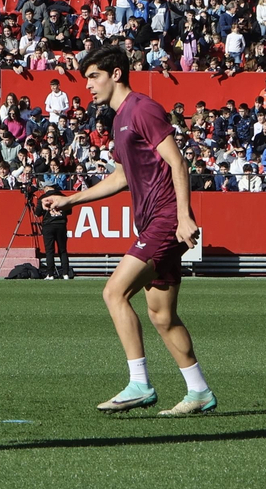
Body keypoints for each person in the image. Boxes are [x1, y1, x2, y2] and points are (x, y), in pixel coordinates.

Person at [41, 45, 215, 416]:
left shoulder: (142, 108)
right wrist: (72, 200)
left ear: (116, 74)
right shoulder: (120, 118)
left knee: (113, 292)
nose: (87, 85)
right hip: (154, 220)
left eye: (93, 76)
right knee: (162, 316)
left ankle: (139, 383)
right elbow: (121, 176)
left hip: (165, 220)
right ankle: (199, 391)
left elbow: (177, 162)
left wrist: (184, 216)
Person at [33, 185, 73, 279]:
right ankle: (65, 273)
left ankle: (50, 274)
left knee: (49, 251)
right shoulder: (63, 196)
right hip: (61, 225)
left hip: (48, 225)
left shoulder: (43, 198)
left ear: (47, 188)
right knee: (62, 250)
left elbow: (37, 213)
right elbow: (69, 211)